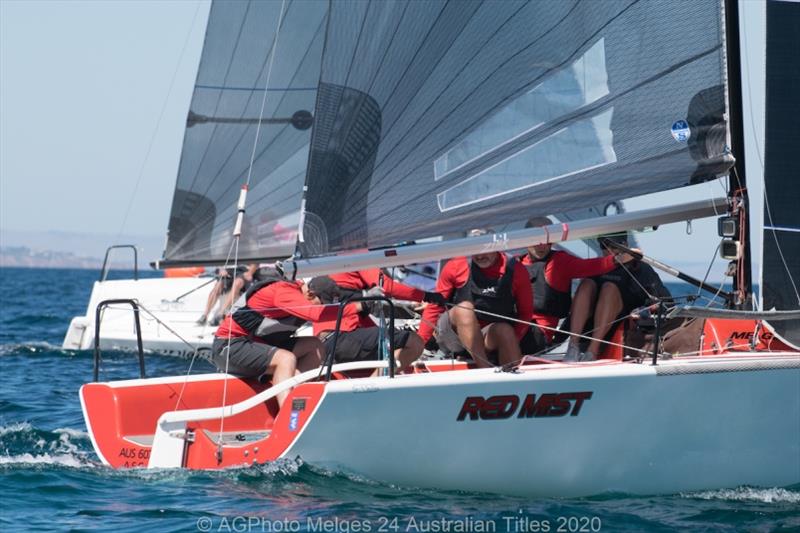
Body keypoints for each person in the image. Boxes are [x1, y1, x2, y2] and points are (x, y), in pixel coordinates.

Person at [212, 269, 362, 407]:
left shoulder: (306, 297)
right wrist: (357, 308)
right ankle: (289, 413)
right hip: (229, 347)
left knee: (315, 346)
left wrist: (365, 298)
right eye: (322, 304)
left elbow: (337, 302)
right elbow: (316, 315)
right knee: (286, 358)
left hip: (257, 346)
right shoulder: (283, 292)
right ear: (309, 294)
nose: (323, 308)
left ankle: (297, 398)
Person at [517, 217, 637, 354]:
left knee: (588, 284)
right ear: (524, 239)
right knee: (497, 329)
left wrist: (617, 259)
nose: (542, 245)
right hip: (514, 328)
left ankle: (579, 348)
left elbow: (589, 266)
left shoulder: (559, 262)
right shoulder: (514, 264)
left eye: (548, 240)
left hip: (538, 336)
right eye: (536, 239)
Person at [419, 231, 533, 368]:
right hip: (454, 337)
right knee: (465, 308)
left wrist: (511, 343)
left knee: (505, 330)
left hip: (487, 337)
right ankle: (485, 371)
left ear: (497, 248)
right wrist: (420, 343)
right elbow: (435, 305)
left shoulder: (516, 270)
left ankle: (513, 384)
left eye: (485, 250)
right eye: (475, 251)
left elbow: (525, 313)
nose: (480, 256)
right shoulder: (457, 265)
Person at [308, 268, 444, 372]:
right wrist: (425, 295)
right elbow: (386, 286)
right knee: (415, 343)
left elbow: (359, 318)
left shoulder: (337, 261)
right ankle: (376, 388)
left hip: (324, 343)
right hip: (342, 338)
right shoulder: (358, 255)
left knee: (390, 342)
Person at [566, 233, 671, 361]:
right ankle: (573, 346)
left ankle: (592, 351)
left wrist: (644, 310)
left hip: (619, 326)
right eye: (605, 247)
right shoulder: (598, 266)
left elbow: (666, 302)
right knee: (587, 284)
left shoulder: (641, 269)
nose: (610, 251)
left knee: (609, 288)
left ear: (625, 245)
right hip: (588, 328)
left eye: (614, 247)